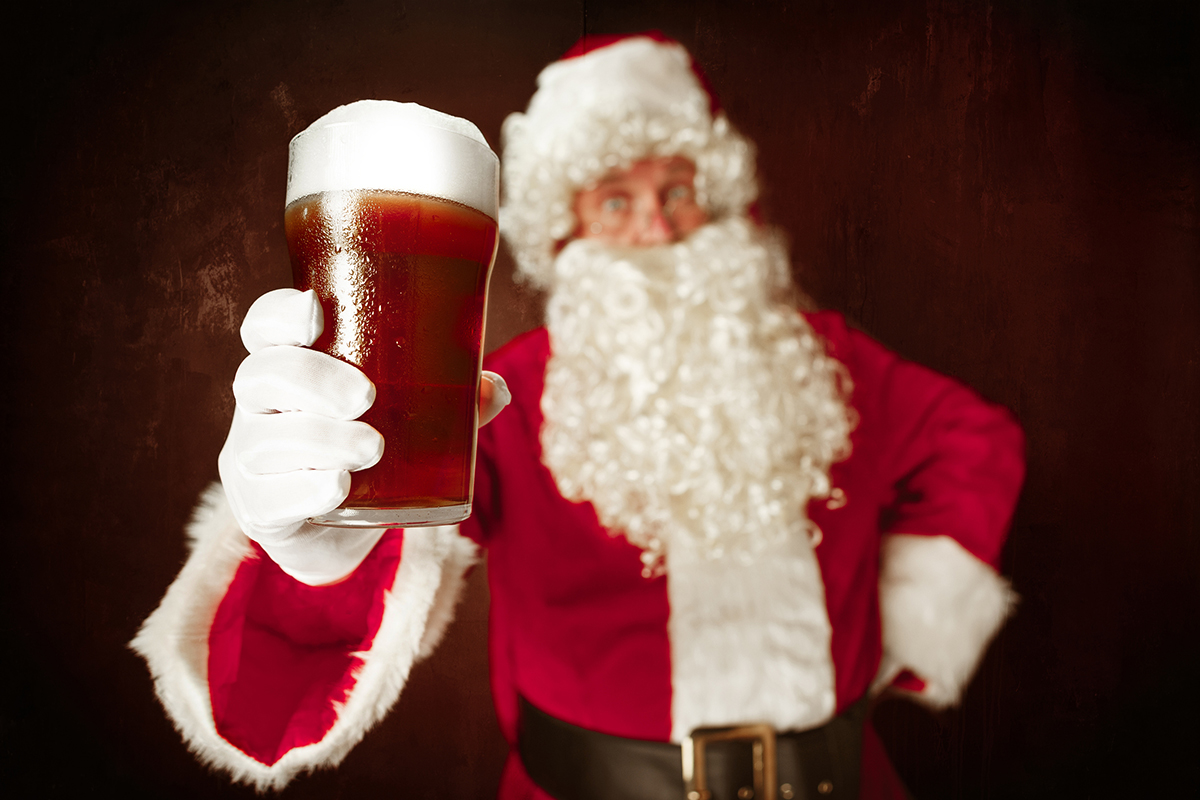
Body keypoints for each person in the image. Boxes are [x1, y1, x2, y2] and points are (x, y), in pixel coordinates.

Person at [133, 34, 1024, 800]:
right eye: (615, 201)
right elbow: (362, 580)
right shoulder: (503, 395)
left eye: (679, 193)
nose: (656, 228)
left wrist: (908, 622)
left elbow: (977, 443)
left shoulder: (829, 365)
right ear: (568, 230)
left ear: (720, 207)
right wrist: (309, 546)